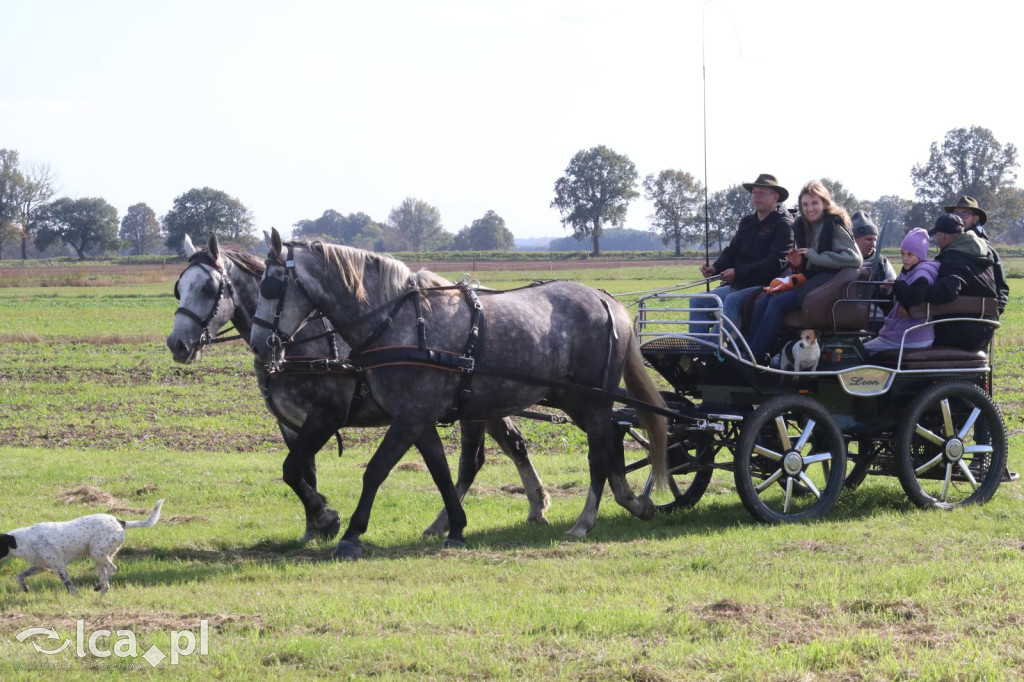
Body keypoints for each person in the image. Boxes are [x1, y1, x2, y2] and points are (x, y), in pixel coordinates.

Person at [747, 180, 863, 362]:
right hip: (814, 279)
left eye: (815, 203)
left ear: (825, 203)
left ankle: (755, 355)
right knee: (765, 299)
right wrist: (798, 263)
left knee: (777, 302)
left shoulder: (834, 226)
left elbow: (855, 259)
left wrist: (814, 255)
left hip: (829, 284)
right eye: (805, 205)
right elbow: (811, 264)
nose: (810, 209)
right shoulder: (806, 226)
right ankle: (749, 349)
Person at [690, 173, 794, 335]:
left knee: (731, 300)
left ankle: (712, 349)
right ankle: (696, 348)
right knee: (697, 300)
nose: (756, 197)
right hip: (738, 284)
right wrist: (715, 268)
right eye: (754, 192)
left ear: (775, 197)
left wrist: (738, 273)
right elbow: (732, 252)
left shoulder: (783, 225)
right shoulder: (747, 222)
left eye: (761, 193)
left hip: (764, 286)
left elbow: (776, 262)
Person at [892, 214, 997, 351]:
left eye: (935, 236)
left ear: (942, 236)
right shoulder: (982, 254)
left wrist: (908, 292)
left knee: (910, 335)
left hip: (960, 333)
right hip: (985, 330)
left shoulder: (953, 257)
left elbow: (947, 291)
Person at [863, 228, 940, 353]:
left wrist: (897, 284)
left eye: (910, 254)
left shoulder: (922, 274)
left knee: (861, 352)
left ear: (920, 256)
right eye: (902, 253)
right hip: (905, 335)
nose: (904, 258)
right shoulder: (909, 271)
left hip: (909, 337)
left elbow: (911, 300)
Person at [943, 196, 1009, 316]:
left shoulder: (989, 251)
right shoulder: (947, 247)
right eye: (956, 213)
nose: (959, 217)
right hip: (950, 321)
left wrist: (996, 312)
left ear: (975, 219)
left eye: (965, 213)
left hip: (981, 320)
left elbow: (1001, 285)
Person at [851, 210, 896, 281]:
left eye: (875, 240)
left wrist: (890, 283)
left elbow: (893, 287)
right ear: (854, 240)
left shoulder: (882, 263)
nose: (873, 244)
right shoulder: (843, 261)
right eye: (868, 239)